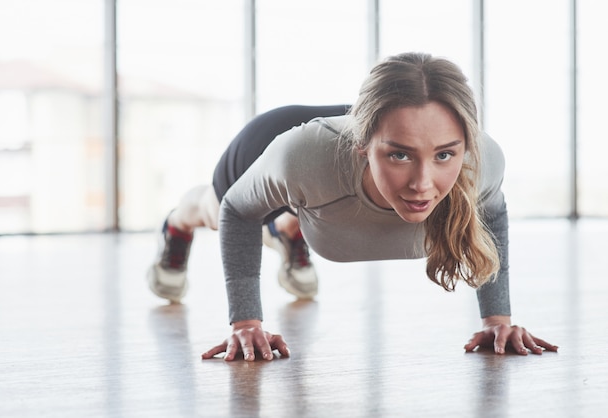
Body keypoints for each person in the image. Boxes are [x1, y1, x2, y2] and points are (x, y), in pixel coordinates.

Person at [147, 52, 558, 361]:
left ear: (465, 147)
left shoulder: (483, 162)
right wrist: (246, 323)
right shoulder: (301, 158)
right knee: (213, 210)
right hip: (278, 147)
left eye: (445, 155)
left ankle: (290, 229)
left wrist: (497, 321)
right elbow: (237, 211)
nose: (422, 183)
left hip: (320, 188)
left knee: (310, 204)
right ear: (364, 147)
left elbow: (492, 215)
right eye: (400, 156)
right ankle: (178, 226)